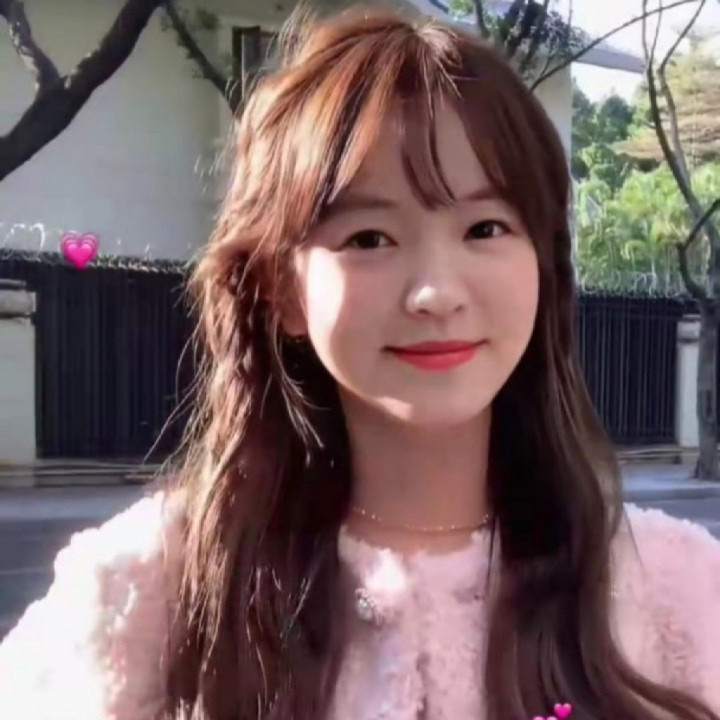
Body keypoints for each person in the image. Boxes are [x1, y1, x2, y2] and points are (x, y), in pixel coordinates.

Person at [1, 6, 720, 720]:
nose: (435, 292)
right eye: (370, 238)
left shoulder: (675, 590)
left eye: (485, 227)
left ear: (543, 264)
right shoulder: (148, 591)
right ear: (281, 289)